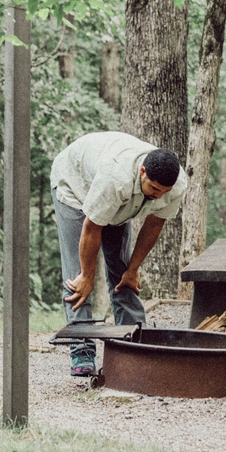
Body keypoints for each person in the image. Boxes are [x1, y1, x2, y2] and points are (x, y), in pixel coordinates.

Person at [51, 131, 187, 376]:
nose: (159, 196)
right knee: (78, 277)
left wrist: (133, 269)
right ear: (142, 172)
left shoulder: (175, 185)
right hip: (75, 185)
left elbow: (154, 224)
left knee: (123, 273)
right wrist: (87, 276)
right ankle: (82, 350)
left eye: (164, 192)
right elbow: (92, 227)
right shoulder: (116, 178)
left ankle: (134, 340)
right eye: (155, 189)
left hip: (118, 199)